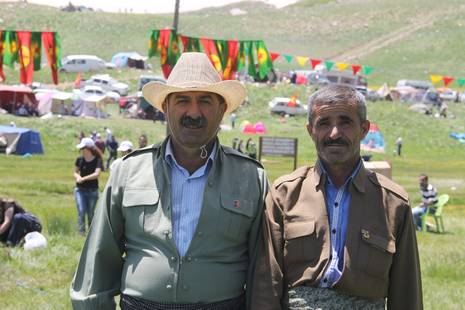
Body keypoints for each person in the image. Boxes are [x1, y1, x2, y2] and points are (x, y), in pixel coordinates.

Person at [70, 52, 268, 309]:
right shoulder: (127, 171)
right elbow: (97, 263)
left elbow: (262, 271)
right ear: (165, 107)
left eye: (205, 101)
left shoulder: (252, 178)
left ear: (221, 110)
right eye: (183, 100)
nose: (193, 112)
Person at [252, 85, 422, 309]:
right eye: (324, 123)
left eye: (345, 122)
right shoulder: (284, 194)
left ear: (364, 129)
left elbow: (406, 290)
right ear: (310, 130)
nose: (334, 133)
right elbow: (266, 281)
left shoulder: (393, 202)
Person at [73, 137, 104, 235]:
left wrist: (83, 178)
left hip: (92, 191)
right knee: (81, 211)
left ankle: (92, 234)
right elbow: (75, 172)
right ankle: (81, 232)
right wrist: (77, 177)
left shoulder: (97, 160)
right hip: (80, 190)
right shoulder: (79, 159)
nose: (81, 150)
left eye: (83, 148)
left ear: (89, 148)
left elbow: (97, 174)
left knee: (90, 213)